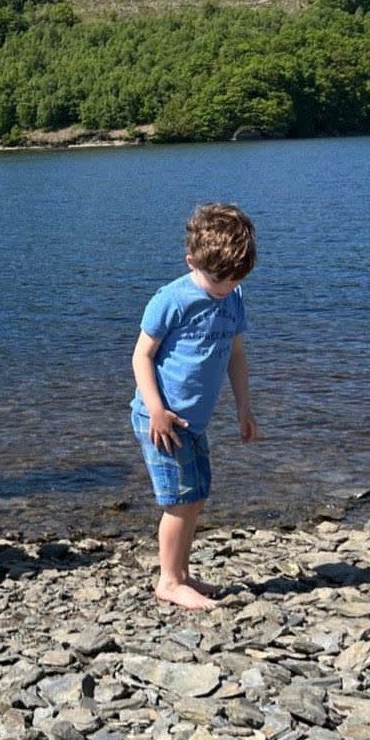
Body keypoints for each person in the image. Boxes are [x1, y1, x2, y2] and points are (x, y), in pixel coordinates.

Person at [130, 203, 258, 610]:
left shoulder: (233, 297)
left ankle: (181, 573)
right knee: (179, 502)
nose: (225, 285)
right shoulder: (172, 300)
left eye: (235, 277)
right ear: (192, 261)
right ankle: (168, 581)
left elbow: (236, 354)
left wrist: (243, 407)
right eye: (218, 278)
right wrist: (156, 409)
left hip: (194, 421)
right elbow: (141, 356)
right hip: (162, 420)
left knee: (196, 496)